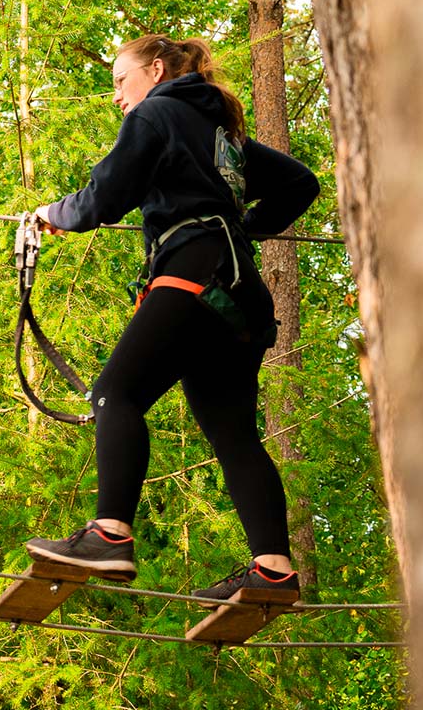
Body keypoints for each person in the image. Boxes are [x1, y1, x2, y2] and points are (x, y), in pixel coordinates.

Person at [24, 34, 320, 602]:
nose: (116, 96)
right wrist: (242, 228)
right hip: (240, 294)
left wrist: (52, 214)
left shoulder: (156, 113)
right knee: (233, 433)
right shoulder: (223, 138)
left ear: (155, 70)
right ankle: (274, 570)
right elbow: (300, 183)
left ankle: (109, 533)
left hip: (193, 272)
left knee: (115, 392)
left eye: (119, 80)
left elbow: (106, 195)